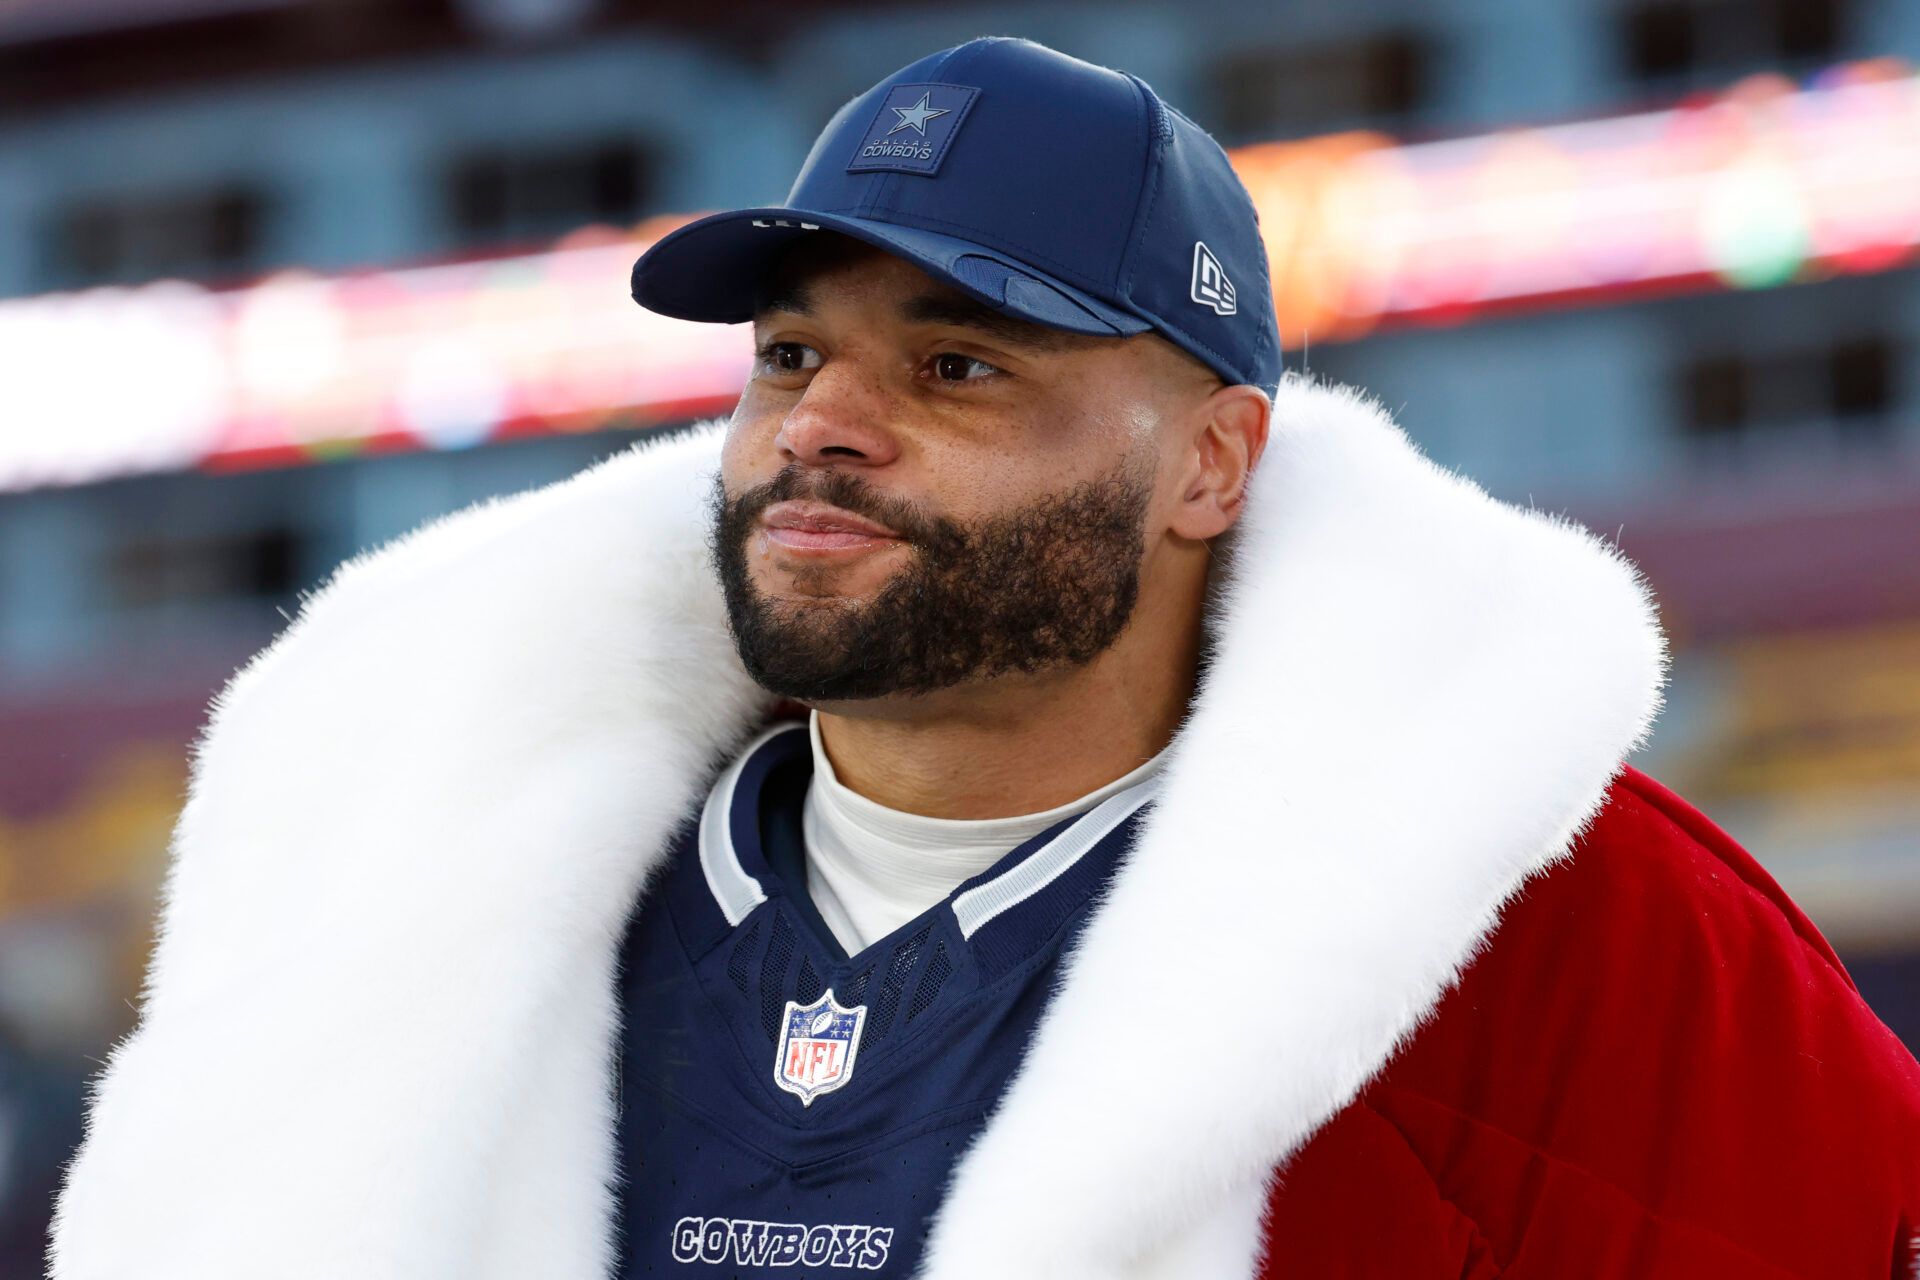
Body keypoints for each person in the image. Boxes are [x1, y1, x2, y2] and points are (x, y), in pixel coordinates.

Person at [48, 35, 1920, 1280]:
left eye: (957, 366)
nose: (819, 428)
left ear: (1211, 465)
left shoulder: (1577, 932)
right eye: (790, 356)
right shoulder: (450, 883)